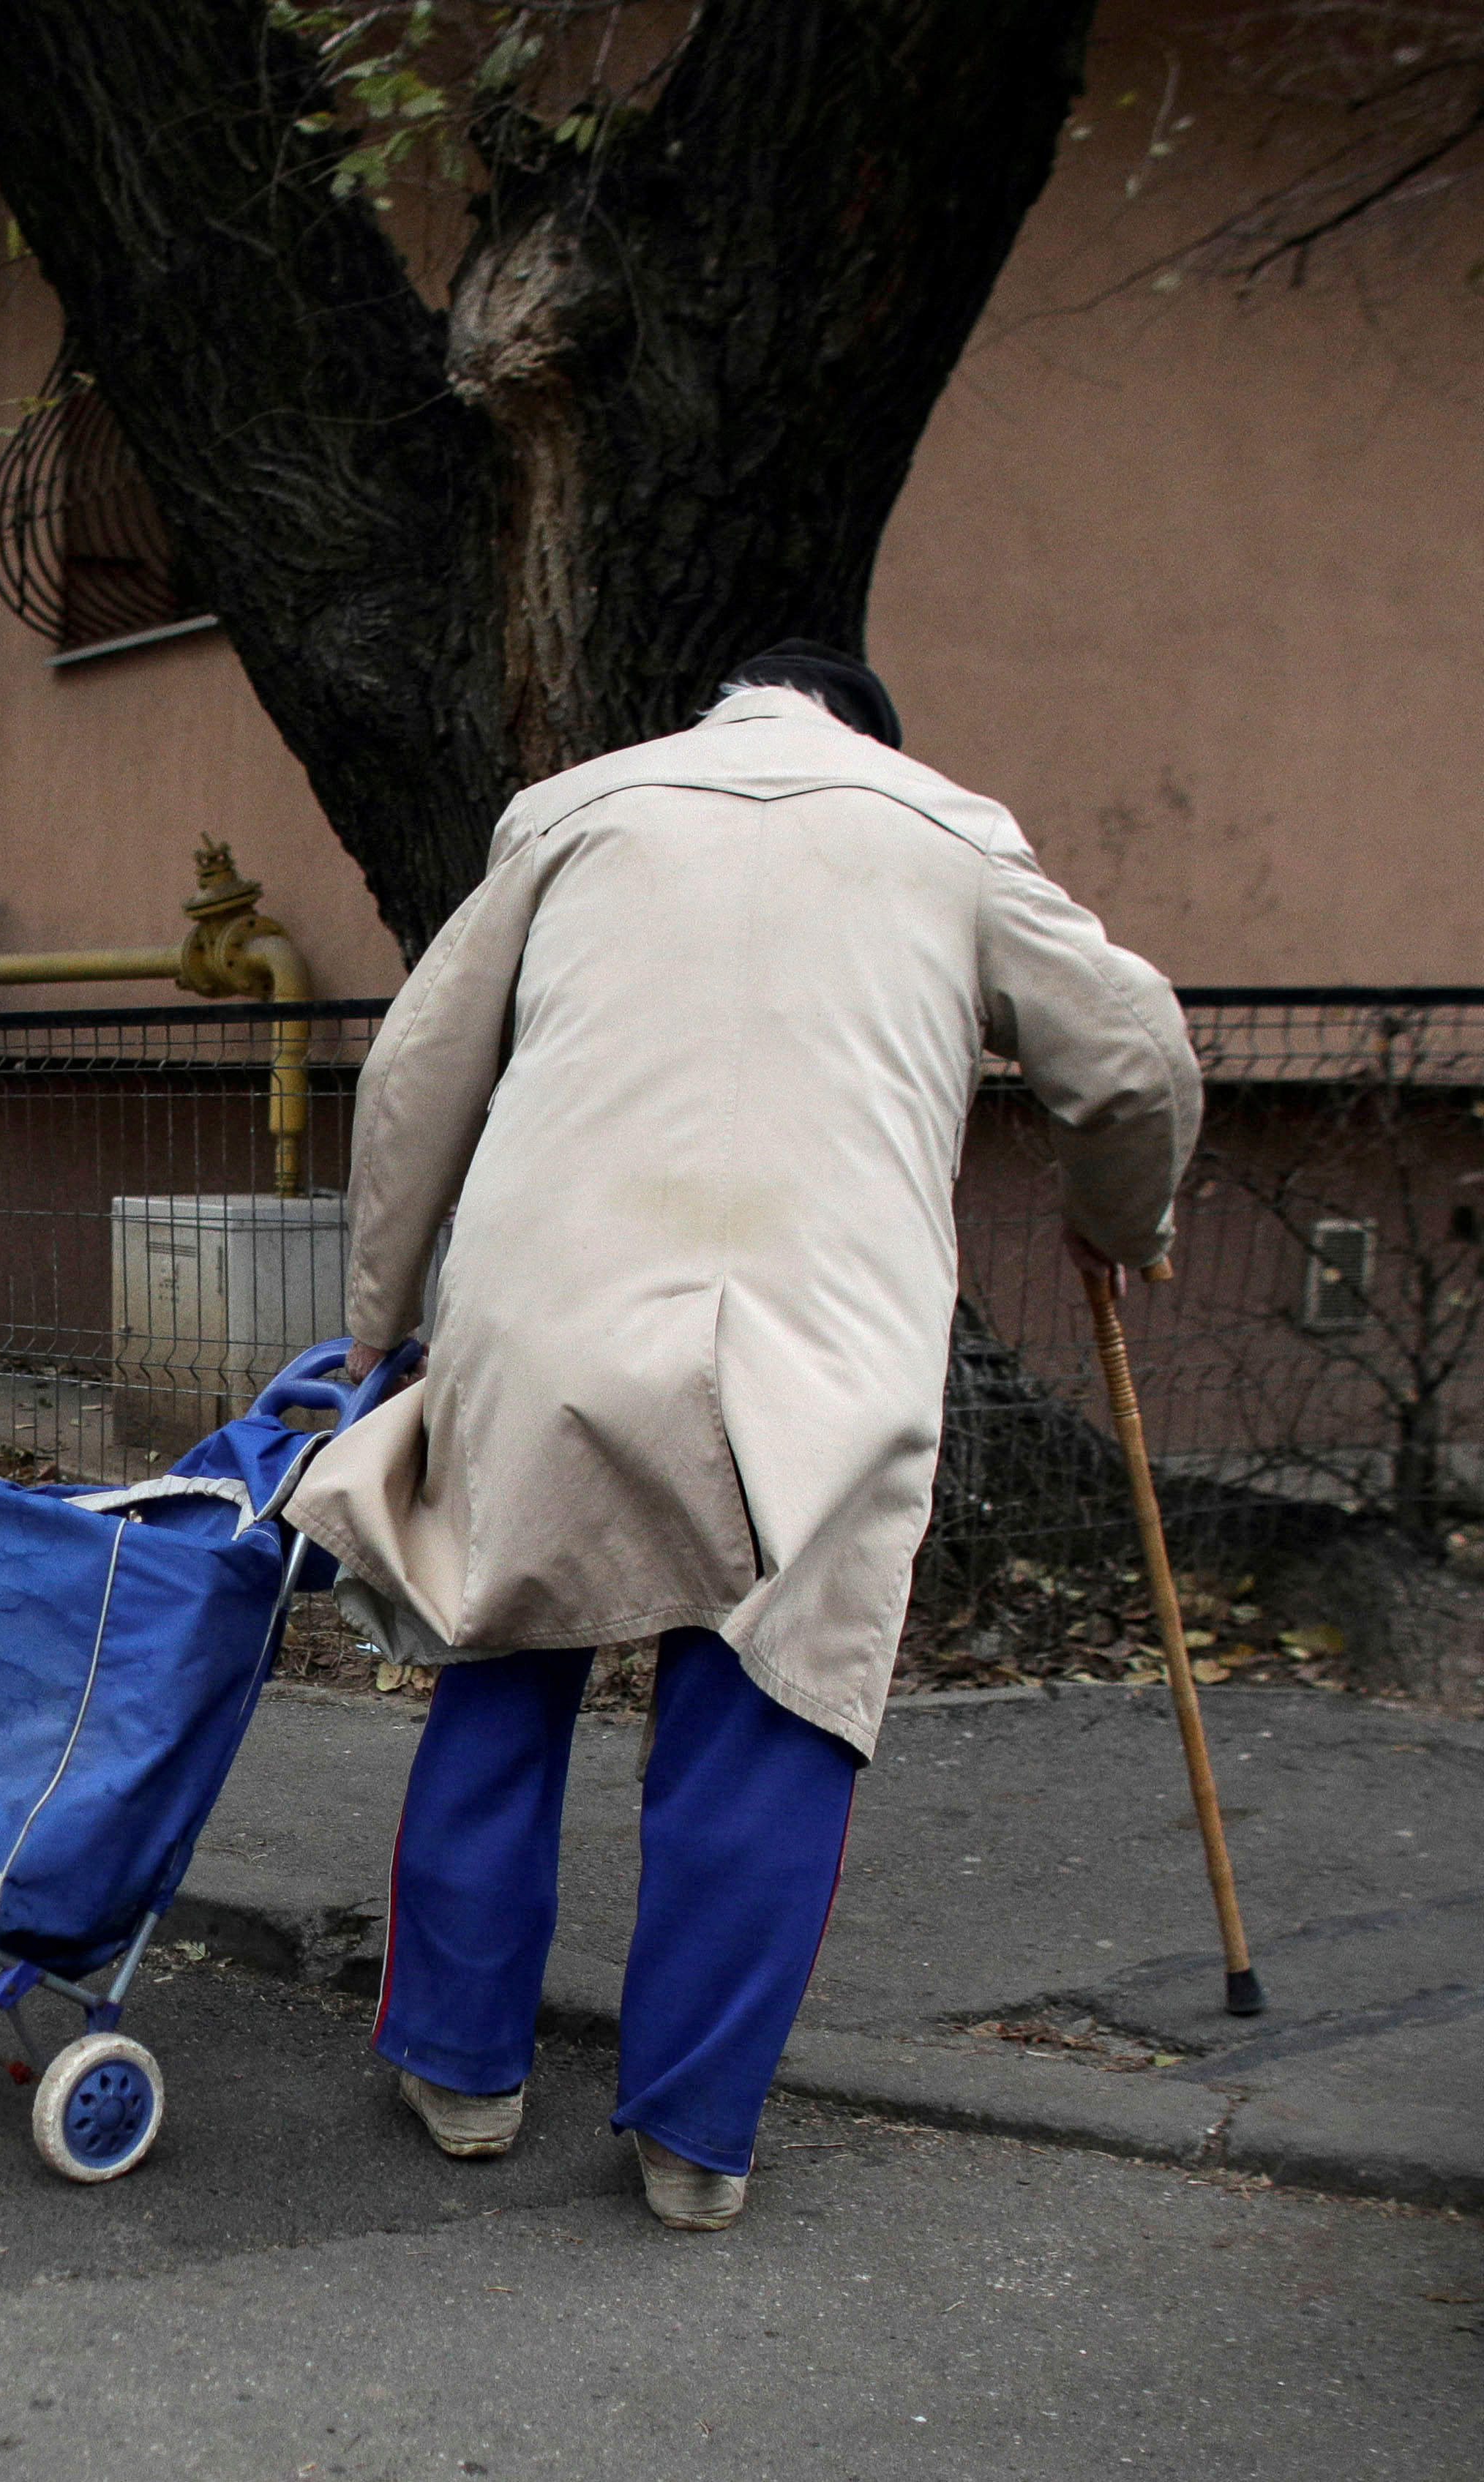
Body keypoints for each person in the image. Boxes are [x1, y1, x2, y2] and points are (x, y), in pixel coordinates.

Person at [283, 642, 1199, 2234]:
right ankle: (691, 2139)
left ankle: (457, 2068)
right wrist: (1113, 1219)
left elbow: (415, 1074)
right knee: (773, 1700)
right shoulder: (948, 829)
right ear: (865, 729)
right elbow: (1126, 1064)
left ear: (720, 701)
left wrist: (374, 1319)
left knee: (502, 1651)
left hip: (548, 1303)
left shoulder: (569, 810)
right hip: (821, 1330)